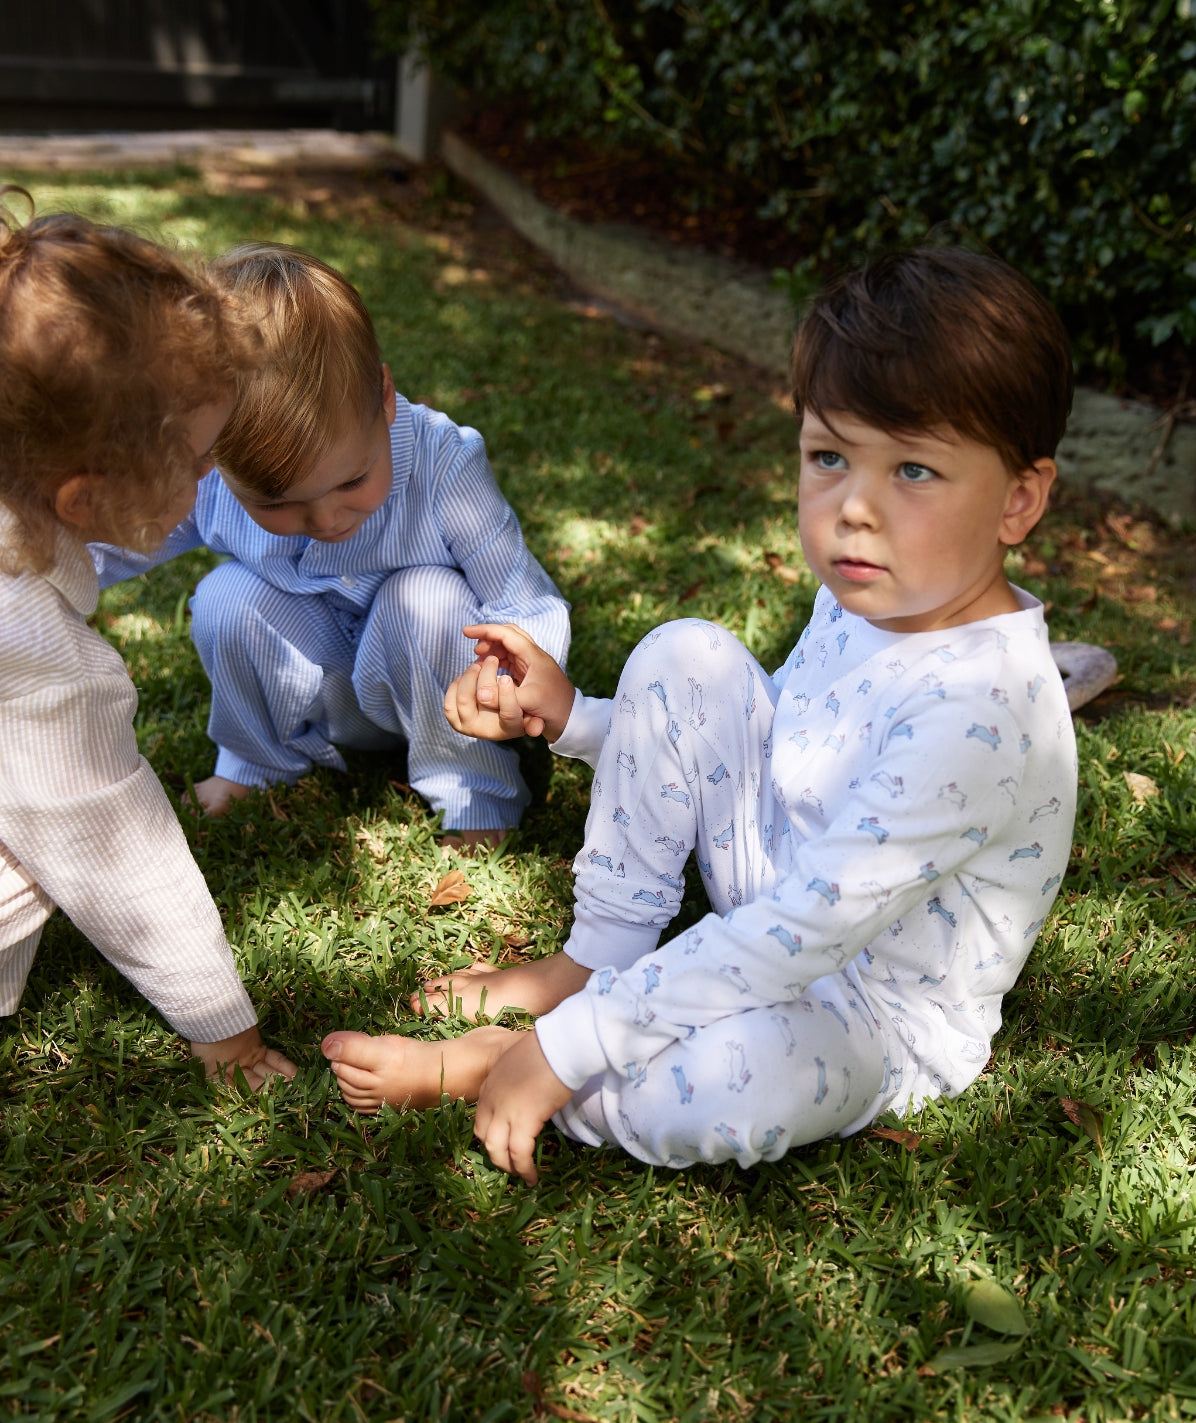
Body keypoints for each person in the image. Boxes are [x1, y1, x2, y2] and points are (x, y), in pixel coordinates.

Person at [322, 244, 1079, 1182]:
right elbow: (769, 751)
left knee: (729, 1086)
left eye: (915, 471)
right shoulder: (874, 593)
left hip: (870, 1013)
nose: (856, 509)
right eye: (830, 457)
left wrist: (568, 1051)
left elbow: (811, 929)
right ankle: (592, 963)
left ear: (1019, 500)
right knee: (687, 650)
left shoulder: (979, 712)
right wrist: (577, 720)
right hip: (775, 884)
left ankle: (510, 1058)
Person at [90, 244, 570, 849]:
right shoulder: (207, 477)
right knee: (225, 597)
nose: (325, 517)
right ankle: (255, 763)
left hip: (439, 694)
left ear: (384, 398)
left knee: (425, 596)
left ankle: (474, 795)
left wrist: (506, 684)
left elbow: (525, 602)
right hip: (322, 686)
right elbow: (113, 542)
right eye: (275, 502)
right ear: (210, 451)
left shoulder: (444, 464)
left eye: (351, 481)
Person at [0, 197, 295, 1089]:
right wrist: (226, 1032)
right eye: (200, 462)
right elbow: (116, 850)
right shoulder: (43, 660)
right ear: (86, 499)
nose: (215, 475)